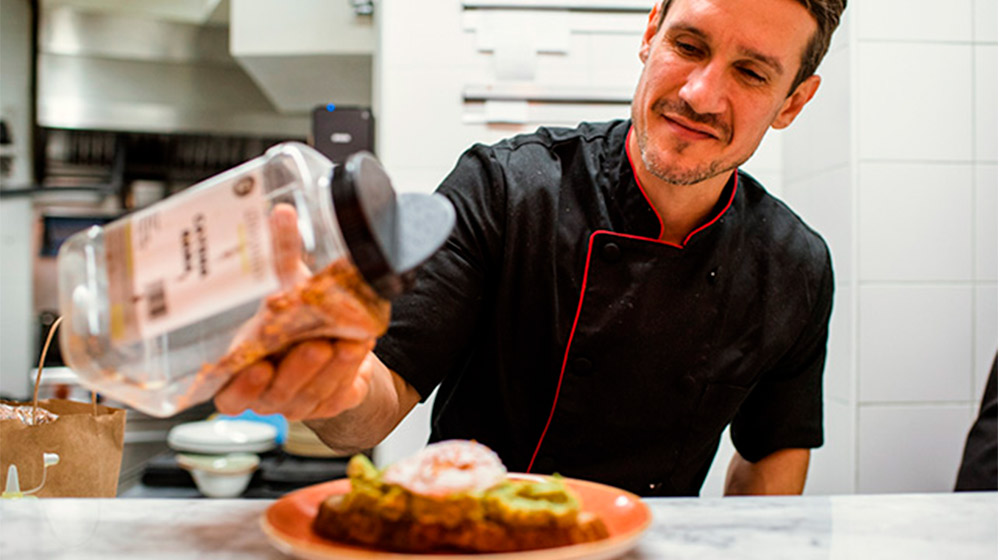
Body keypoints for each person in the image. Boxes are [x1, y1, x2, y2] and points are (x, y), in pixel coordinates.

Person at [215, 0, 846, 497]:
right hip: (474, 543)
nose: (701, 95)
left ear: (793, 100)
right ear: (651, 32)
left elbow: (770, 462)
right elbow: (375, 402)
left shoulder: (793, 264)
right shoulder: (507, 189)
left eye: (752, 72)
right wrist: (332, 387)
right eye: (689, 45)